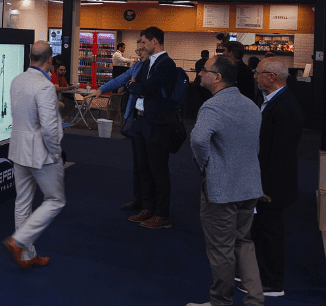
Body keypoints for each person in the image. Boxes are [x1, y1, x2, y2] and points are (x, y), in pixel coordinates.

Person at [188, 55, 264, 306]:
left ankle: (220, 302)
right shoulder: (251, 105)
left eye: (204, 70)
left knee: (221, 250)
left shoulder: (213, 106)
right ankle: (255, 299)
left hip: (222, 189)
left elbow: (198, 140)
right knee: (243, 242)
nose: (200, 73)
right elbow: (255, 146)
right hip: (250, 186)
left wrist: (206, 164)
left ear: (217, 78)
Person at [2, 40, 65, 269]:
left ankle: (27, 256)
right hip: (41, 154)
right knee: (56, 200)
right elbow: (49, 129)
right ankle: (18, 242)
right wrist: (56, 153)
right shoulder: (45, 86)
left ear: (30, 57)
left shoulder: (17, 80)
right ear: (49, 60)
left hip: (18, 149)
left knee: (22, 203)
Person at [249, 57, 303, 297]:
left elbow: (282, 154)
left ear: (271, 77)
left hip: (273, 186)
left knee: (270, 231)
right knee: (261, 229)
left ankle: (272, 283)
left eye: (258, 73)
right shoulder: (272, 102)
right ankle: (262, 274)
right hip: (265, 181)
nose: (255, 76)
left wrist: (266, 188)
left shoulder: (285, 108)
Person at [123, 26, 177, 229]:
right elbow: (136, 86)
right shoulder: (147, 63)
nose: (141, 47)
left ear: (155, 41)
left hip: (158, 124)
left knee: (158, 170)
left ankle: (162, 214)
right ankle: (147, 207)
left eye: (144, 42)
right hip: (142, 121)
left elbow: (144, 87)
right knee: (143, 167)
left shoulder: (166, 64)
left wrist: (135, 85)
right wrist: (135, 85)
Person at [84, 43, 148, 210]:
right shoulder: (138, 66)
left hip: (150, 121)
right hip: (136, 118)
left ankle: (151, 206)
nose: (138, 52)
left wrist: (132, 85)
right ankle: (139, 199)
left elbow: (137, 86)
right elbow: (122, 79)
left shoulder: (158, 67)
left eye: (140, 48)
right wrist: (101, 89)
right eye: (137, 50)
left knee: (150, 165)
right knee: (138, 162)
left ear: (152, 45)